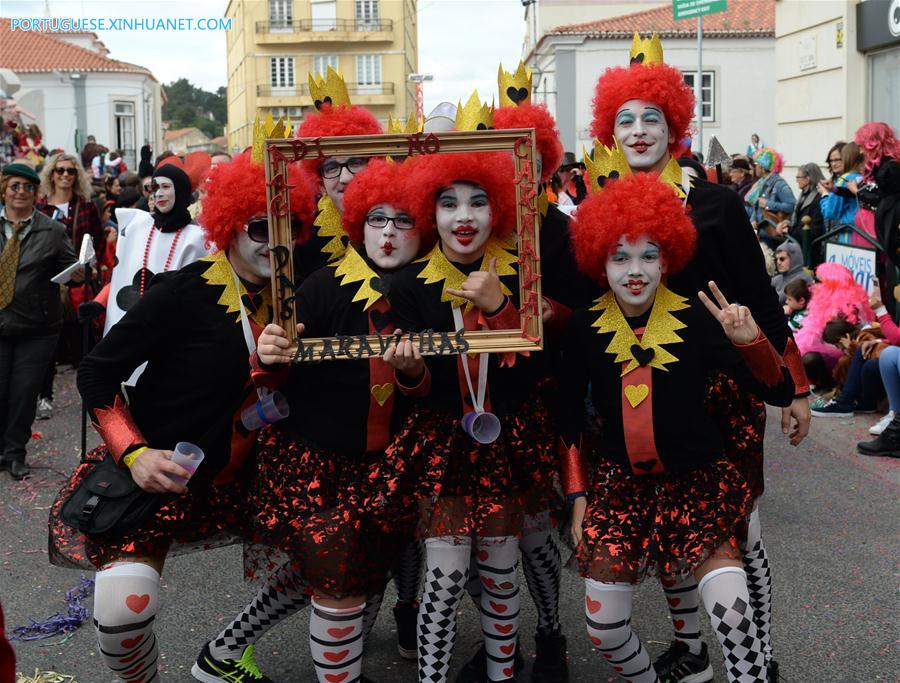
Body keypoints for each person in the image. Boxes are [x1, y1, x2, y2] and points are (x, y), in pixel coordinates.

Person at [588, 32, 810, 681]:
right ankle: (691, 643)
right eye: (624, 118)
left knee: (736, 532)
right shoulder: (605, 208)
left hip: (724, 388)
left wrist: (794, 386)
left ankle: (758, 656)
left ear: (673, 124)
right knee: (665, 530)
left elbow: (761, 301)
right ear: (609, 127)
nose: (637, 130)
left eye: (650, 118)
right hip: (641, 394)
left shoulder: (713, 202)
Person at [47, 152, 316, 683]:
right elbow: (97, 375)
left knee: (339, 561)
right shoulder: (181, 292)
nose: (276, 242)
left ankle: (226, 650)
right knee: (123, 612)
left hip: (261, 471)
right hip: (171, 467)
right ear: (230, 226)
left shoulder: (298, 297)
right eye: (261, 227)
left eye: (292, 228)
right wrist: (136, 453)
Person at [193, 158, 426, 683]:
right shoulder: (321, 287)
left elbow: (433, 385)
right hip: (319, 460)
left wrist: (414, 375)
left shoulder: (424, 292)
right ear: (356, 226)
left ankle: (234, 653)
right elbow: (273, 374)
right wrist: (270, 357)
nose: (388, 234)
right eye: (376, 220)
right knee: (331, 575)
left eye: (403, 221)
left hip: (385, 462)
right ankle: (284, 663)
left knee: (351, 569)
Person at [560, 170, 794, 683]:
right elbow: (569, 418)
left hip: (698, 482)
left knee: (733, 616)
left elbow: (775, 392)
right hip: (622, 491)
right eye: (619, 256)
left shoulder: (696, 318)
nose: (635, 270)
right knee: (603, 627)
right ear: (599, 261)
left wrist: (751, 341)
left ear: (669, 257)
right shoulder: (584, 326)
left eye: (649, 255)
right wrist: (578, 494)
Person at [375, 148, 560, 683]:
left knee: (502, 572)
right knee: (445, 575)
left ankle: (505, 672)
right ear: (429, 215)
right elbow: (419, 390)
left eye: (478, 203)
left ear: (497, 210)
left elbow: (535, 374)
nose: (463, 217)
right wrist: (410, 374)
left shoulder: (522, 273)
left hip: (507, 444)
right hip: (442, 447)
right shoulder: (407, 285)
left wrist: (503, 305)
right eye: (448, 204)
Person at [0, 163, 78, 480]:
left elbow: (72, 269)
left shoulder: (53, 231)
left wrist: (80, 272)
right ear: (4, 189)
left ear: (36, 193)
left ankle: (15, 453)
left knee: (23, 391)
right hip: (0, 324)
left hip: (38, 327)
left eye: (28, 187)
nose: (21, 192)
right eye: (15, 186)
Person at [98, 161, 211, 337]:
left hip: (177, 333)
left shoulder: (199, 238)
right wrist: (100, 302)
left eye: (165, 186)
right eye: (154, 188)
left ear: (180, 190)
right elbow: (122, 274)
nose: (158, 194)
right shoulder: (136, 226)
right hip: (134, 330)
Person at [775, 163, 825, 262]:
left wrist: (789, 231)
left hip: (809, 252)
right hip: (800, 245)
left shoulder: (818, 198)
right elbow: (797, 220)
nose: (796, 180)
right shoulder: (803, 195)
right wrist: (787, 223)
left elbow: (814, 231)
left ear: (808, 179)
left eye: (798, 177)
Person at [747, 147, 795, 245]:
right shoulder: (761, 183)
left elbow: (791, 205)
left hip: (773, 234)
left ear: (763, 167)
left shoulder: (779, 184)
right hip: (762, 232)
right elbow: (757, 206)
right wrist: (753, 220)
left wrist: (768, 204)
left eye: (756, 164)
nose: (754, 167)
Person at [818, 141, 864, 243]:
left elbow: (830, 212)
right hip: (862, 232)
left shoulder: (845, 178)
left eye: (838, 159)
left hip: (847, 234)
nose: (834, 163)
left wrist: (824, 194)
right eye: (831, 161)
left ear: (847, 157)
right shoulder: (863, 176)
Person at [770, 241, 812, 305]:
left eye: (782, 259)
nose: (778, 262)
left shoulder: (804, 278)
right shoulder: (779, 278)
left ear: (794, 259)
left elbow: (779, 299)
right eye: (776, 259)